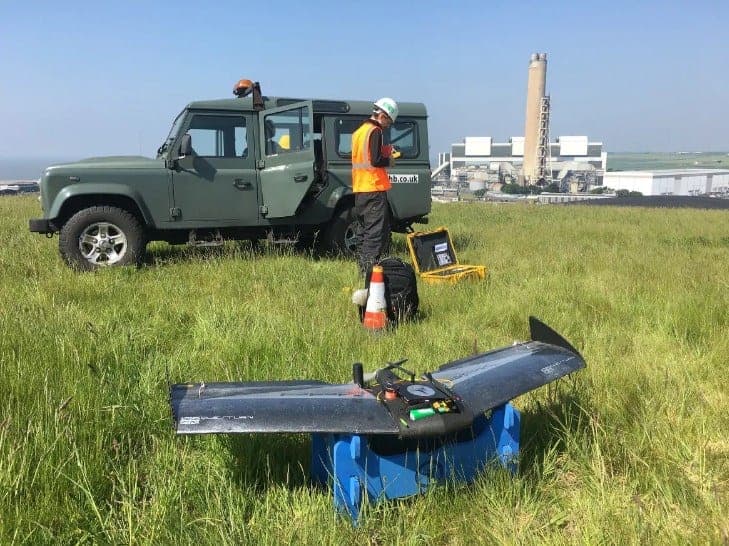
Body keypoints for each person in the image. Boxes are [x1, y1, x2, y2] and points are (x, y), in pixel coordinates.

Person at [351, 97, 399, 277]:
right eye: (389, 121)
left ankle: (363, 270)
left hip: (361, 189)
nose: (388, 125)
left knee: (364, 232)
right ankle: (370, 275)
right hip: (374, 188)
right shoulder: (375, 131)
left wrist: (384, 151)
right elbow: (375, 161)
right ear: (383, 115)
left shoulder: (359, 132)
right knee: (375, 234)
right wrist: (390, 160)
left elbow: (364, 157)